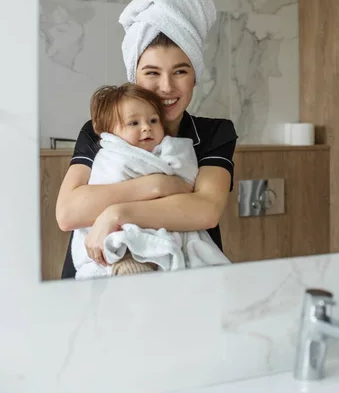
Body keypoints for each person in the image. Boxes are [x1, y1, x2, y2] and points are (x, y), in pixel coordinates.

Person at [56, 0, 238, 279]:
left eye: (180, 71)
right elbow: (68, 213)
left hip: (186, 283)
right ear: (134, 77)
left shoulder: (214, 133)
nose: (166, 87)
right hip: (95, 278)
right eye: (152, 72)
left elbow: (205, 210)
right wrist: (158, 187)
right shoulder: (100, 130)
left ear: (195, 76)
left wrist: (117, 213)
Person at [72, 82, 230, 279]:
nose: (146, 128)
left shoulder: (175, 148)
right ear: (111, 132)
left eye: (153, 121)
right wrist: (158, 186)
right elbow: (72, 212)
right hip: (116, 238)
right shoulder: (112, 155)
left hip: (161, 231)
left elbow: (192, 192)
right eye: (134, 123)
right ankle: (128, 266)